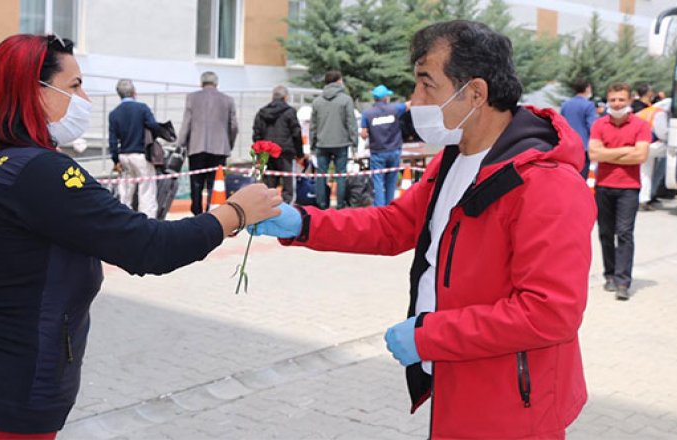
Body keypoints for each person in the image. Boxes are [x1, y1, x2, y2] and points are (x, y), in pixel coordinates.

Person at [0, 34, 280, 438]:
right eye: (74, 86)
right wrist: (236, 212)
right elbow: (148, 247)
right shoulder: (39, 172)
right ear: (34, 92)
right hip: (0, 413)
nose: (84, 97)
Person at [252, 20, 595, 439]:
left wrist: (429, 334)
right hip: (455, 376)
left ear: (475, 93)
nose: (413, 100)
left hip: (512, 398)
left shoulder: (546, 184)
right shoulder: (453, 159)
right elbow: (395, 225)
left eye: (425, 84)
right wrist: (302, 222)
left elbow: (549, 313)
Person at [589, 82, 651, 300]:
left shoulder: (641, 125)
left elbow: (641, 156)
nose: (616, 104)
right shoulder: (599, 124)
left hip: (629, 188)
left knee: (624, 234)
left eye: (621, 100)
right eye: (613, 100)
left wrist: (608, 153)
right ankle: (610, 276)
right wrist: (627, 150)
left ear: (629, 100)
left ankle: (623, 281)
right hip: (604, 186)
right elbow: (594, 154)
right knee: (605, 233)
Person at [179, 71, 238, 215]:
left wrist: (181, 144)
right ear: (216, 83)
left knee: (196, 182)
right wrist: (228, 143)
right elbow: (234, 126)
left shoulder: (192, 98)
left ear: (201, 83)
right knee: (214, 182)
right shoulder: (228, 100)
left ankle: (197, 211)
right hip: (219, 148)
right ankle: (211, 211)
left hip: (196, 146)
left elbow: (187, 123)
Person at [108, 79, 160, 217]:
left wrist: (115, 160)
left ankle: (123, 219)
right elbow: (154, 126)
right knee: (147, 191)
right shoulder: (142, 108)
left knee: (125, 193)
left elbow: (112, 141)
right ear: (134, 92)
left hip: (124, 156)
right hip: (141, 155)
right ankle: (148, 222)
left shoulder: (114, 114)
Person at [311, 70, 357, 209]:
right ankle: (340, 204)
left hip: (322, 143)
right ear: (338, 81)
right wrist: (354, 144)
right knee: (340, 174)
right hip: (341, 143)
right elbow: (351, 123)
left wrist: (313, 145)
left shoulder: (317, 101)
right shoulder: (346, 100)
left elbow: (313, 126)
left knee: (321, 175)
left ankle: (322, 204)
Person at [252, 85, 304, 204]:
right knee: (288, 182)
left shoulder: (261, 112)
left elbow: (256, 133)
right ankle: (287, 207)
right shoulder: (290, 112)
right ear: (285, 97)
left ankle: (269, 207)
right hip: (285, 151)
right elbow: (296, 133)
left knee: (269, 182)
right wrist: (299, 153)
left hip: (267, 151)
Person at [360, 84, 407, 206]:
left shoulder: (367, 113)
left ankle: (380, 209)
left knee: (378, 182)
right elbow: (409, 105)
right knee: (391, 181)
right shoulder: (395, 109)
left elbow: (363, 134)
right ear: (386, 97)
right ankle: (390, 206)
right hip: (394, 150)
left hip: (377, 152)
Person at [635, 97, 669, 210]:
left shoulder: (646, 111)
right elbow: (663, 134)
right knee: (673, 153)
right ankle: (648, 196)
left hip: (640, 144)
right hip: (651, 145)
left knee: (645, 173)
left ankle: (643, 199)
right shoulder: (660, 113)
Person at [560, 78, 596, 178]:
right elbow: (592, 126)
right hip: (583, 147)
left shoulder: (565, 105)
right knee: (581, 178)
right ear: (588, 88)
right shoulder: (589, 105)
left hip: (567, 146)